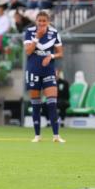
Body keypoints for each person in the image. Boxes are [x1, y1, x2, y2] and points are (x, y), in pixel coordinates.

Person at [24, 11, 66, 143]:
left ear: (48, 21)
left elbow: (60, 53)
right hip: (33, 71)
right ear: (36, 21)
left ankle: (56, 136)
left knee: (52, 103)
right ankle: (37, 135)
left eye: (44, 21)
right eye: (39, 20)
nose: (41, 23)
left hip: (48, 71)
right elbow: (28, 51)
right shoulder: (29, 32)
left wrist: (51, 56)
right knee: (36, 105)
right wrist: (37, 37)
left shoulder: (54, 33)